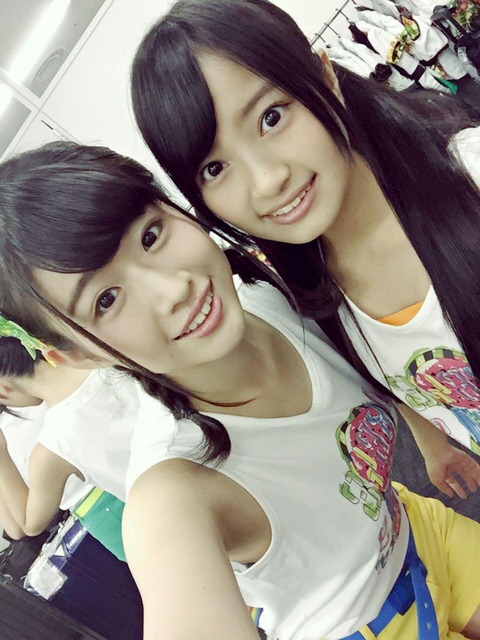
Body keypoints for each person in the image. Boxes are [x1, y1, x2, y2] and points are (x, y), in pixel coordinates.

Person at [0, 141, 478, 640]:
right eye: (107, 300)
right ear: (76, 354)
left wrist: (432, 444)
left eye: (151, 235)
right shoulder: (174, 492)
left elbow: (369, 359)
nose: (174, 290)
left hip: (418, 529)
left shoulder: (267, 292)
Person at [130, 0, 480, 458]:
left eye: (271, 117)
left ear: (325, 76)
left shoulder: (471, 174)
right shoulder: (310, 288)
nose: (266, 182)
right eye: (214, 168)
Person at [0, 328, 138, 560]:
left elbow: (28, 524)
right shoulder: (107, 359)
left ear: (3, 390)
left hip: (165, 516)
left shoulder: (52, 447)